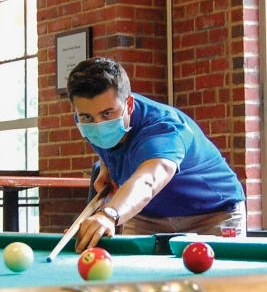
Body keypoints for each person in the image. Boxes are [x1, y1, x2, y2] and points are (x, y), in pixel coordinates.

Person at [67, 56, 246, 251]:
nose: (99, 125)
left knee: (213, 282)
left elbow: (148, 180)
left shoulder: (163, 128)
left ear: (129, 104)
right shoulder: (89, 122)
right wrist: (107, 167)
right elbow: (106, 145)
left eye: (107, 114)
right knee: (131, 279)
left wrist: (108, 214)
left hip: (211, 215)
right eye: (87, 117)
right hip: (148, 216)